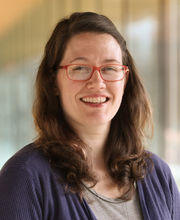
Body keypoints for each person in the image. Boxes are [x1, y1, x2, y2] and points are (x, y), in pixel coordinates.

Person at [0, 12, 179, 220]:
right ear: (53, 81)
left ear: (125, 80)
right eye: (80, 68)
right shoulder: (23, 178)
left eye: (110, 68)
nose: (97, 82)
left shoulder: (158, 174)